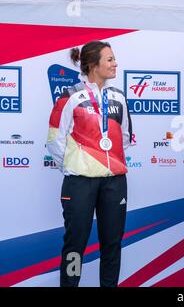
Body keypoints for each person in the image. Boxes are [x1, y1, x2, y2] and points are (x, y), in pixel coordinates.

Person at [47, 41, 132, 287]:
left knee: (112, 243)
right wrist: (77, 165)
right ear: (93, 65)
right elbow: (55, 139)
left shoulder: (119, 97)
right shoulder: (70, 96)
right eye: (110, 59)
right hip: (80, 183)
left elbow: (124, 138)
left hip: (114, 182)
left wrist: (108, 162)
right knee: (75, 244)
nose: (115, 64)